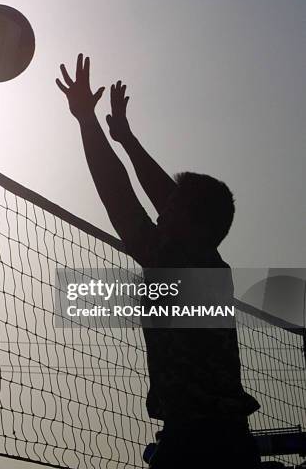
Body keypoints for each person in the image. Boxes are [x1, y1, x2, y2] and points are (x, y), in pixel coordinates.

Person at [56, 54, 260, 468]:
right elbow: (168, 197)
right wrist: (126, 139)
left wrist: (86, 121)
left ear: (191, 223)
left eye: (172, 210)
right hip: (225, 441)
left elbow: (119, 197)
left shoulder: (181, 268)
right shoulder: (208, 265)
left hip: (199, 444)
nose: (162, 214)